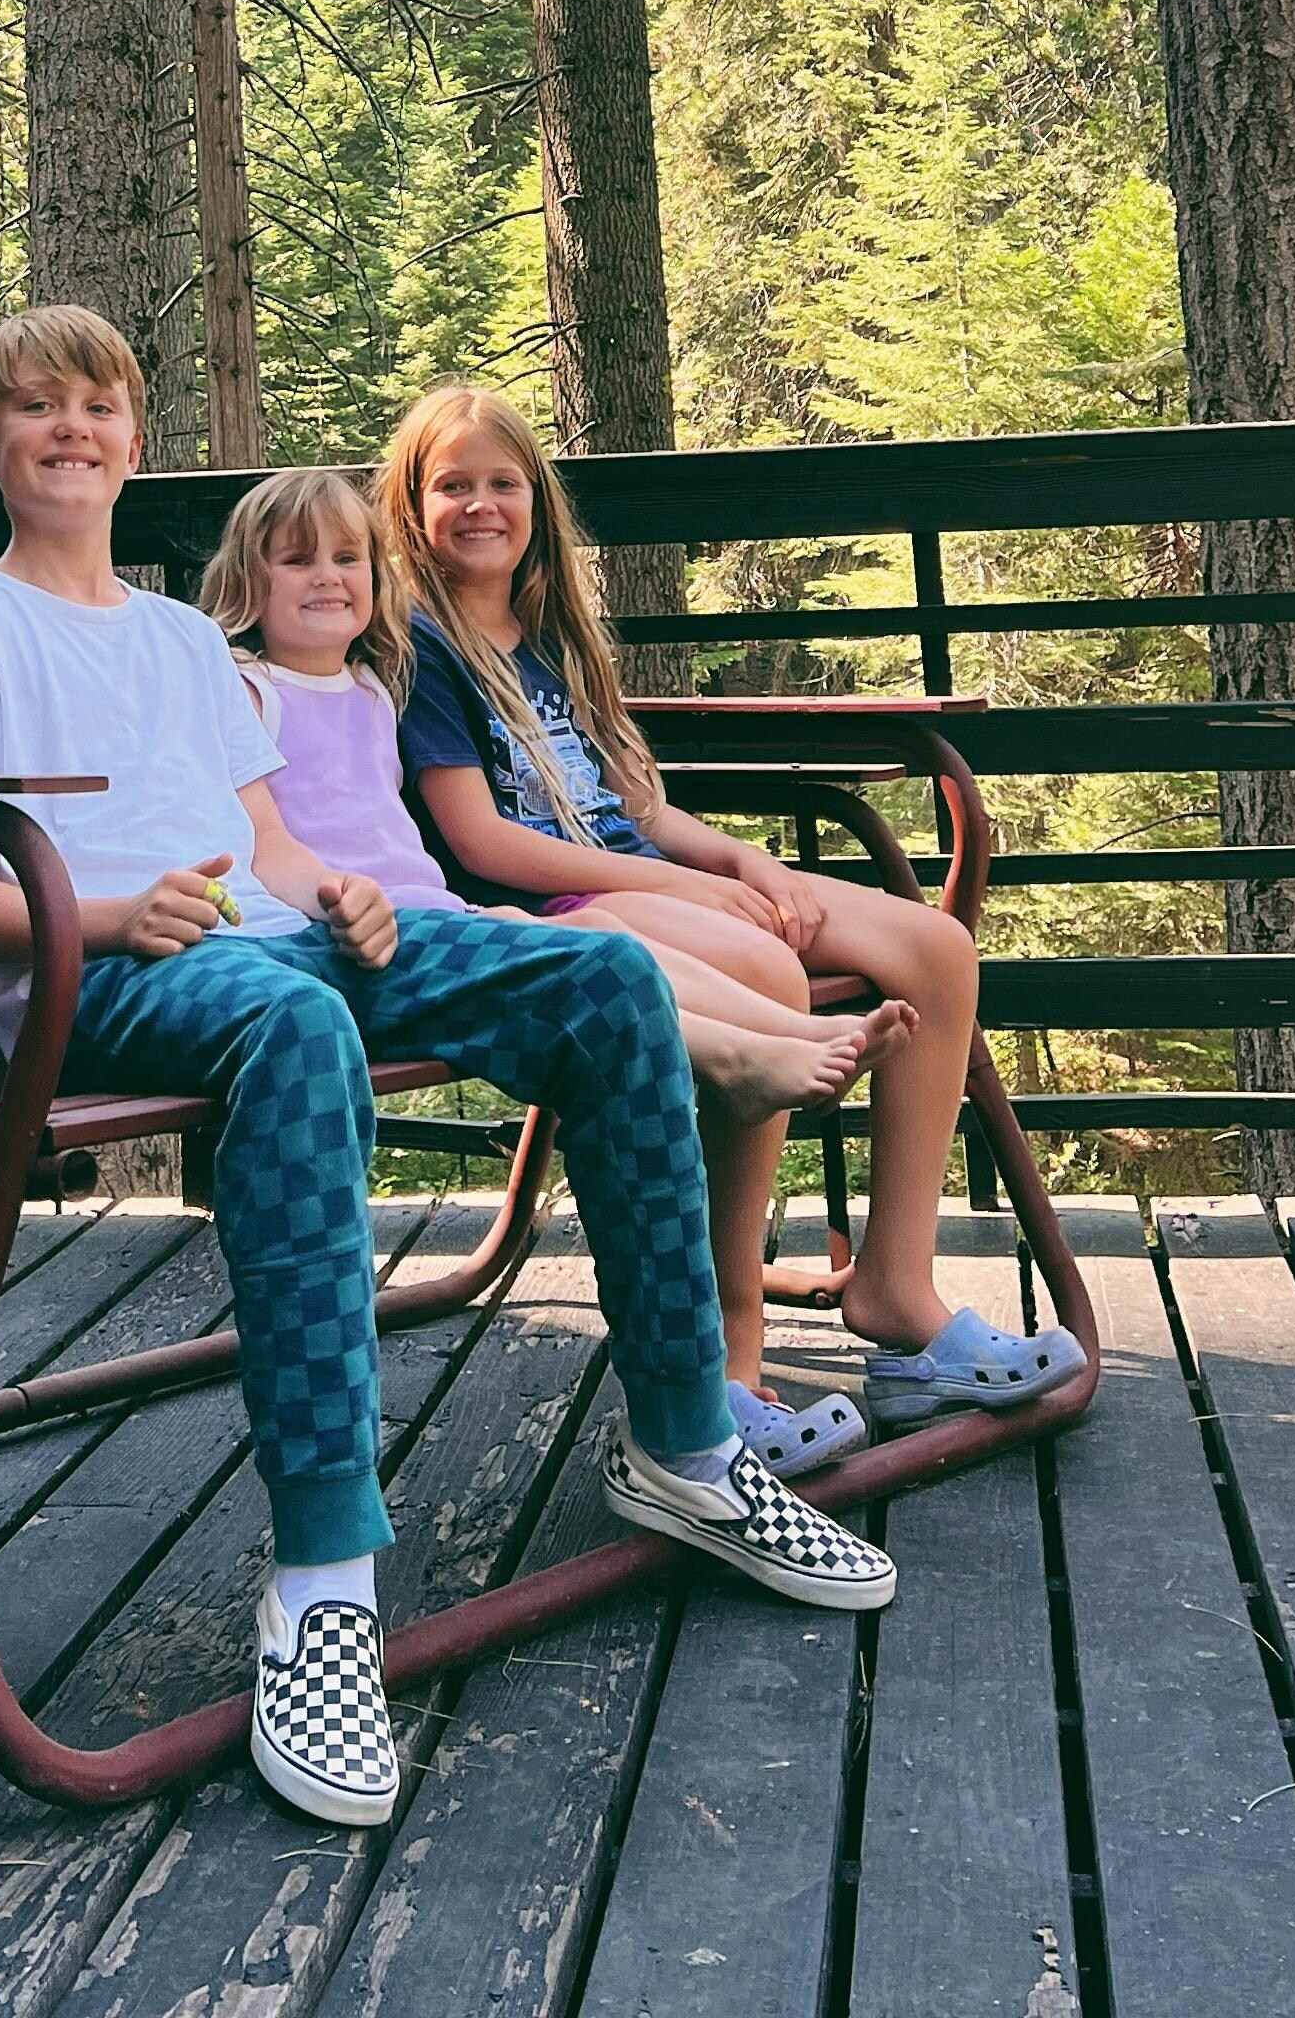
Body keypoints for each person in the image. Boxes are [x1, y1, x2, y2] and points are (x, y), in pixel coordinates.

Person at [0, 305, 894, 1834]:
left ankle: (688, 1442)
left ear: (134, 438)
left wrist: (340, 895)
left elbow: (271, 844)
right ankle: (325, 1581)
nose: (70, 430)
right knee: (294, 1030)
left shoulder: (177, 640)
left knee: (604, 972)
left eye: (96, 405)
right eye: (34, 410)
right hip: (103, 979)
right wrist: (110, 910)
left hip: (265, 943)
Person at [379, 382, 1090, 1443]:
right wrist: (694, 891)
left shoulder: (554, 638)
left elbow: (645, 806)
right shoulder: (421, 647)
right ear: (408, 505)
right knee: (765, 969)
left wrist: (744, 860)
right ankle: (735, 1362)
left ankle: (897, 1287)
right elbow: (481, 844)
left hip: (640, 875)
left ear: (537, 501)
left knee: (935, 947)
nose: (480, 505)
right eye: (452, 486)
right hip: (551, 909)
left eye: (503, 483)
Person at [198, 462, 910, 1477]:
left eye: (348, 559)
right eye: (296, 560)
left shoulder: (369, 682)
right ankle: (751, 1057)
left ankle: (783, 1039)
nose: (326, 578)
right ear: (245, 580)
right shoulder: (243, 687)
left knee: (614, 956)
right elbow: (249, 828)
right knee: (594, 966)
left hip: (437, 920)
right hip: (351, 936)